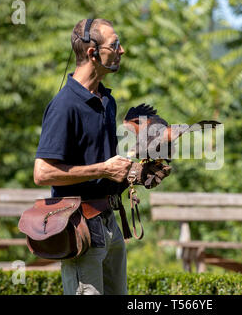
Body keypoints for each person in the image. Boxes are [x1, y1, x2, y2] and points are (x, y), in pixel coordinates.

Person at [33, 18, 168, 295]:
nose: (122, 50)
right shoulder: (64, 105)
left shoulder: (106, 100)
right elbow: (42, 173)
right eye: (115, 44)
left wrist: (133, 170)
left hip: (110, 221)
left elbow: (104, 163)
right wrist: (103, 170)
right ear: (93, 53)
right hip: (80, 224)